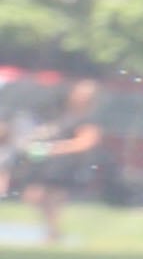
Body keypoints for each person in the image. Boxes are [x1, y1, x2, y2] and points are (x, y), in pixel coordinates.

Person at [16, 79, 106, 245]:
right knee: (34, 196)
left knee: (52, 198)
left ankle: (53, 233)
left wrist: (54, 148)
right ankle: (52, 230)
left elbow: (86, 142)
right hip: (49, 163)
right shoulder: (62, 113)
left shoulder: (88, 120)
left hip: (67, 165)